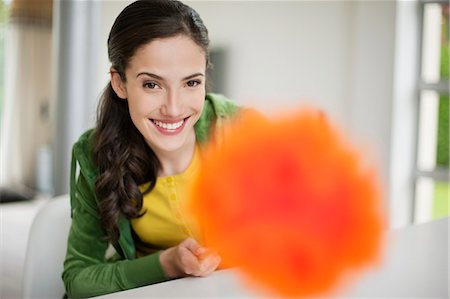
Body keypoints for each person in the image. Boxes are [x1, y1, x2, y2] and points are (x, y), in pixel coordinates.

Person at [62, 0, 239, 297]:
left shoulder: (240, 131)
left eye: (191, 82)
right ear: (120, 83)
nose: (173, 108)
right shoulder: (98, 157)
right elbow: (78, 279)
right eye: (152, 85)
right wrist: (166, 264)